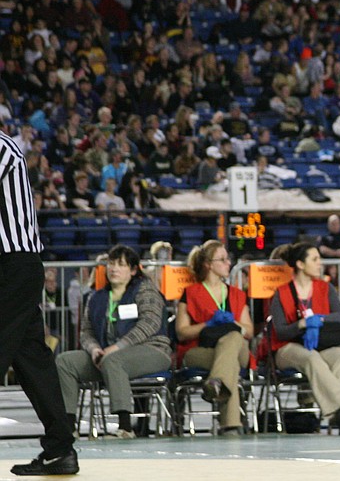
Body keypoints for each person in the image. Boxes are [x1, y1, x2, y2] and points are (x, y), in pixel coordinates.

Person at [1, 130, 78, 476]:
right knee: (33, 360)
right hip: (16, 267)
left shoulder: (2, 146)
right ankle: (60, 449)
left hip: (12, 265)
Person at [56, 245, 172, 439]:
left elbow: (149, 323)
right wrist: (94, 350)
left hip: (152, 350)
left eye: (121, 265)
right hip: (107, 356)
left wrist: (116, 348)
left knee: (114, 361)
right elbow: (86, 331)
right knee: (65, 361)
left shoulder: (146, 290)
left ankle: (125, 427)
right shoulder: (96, 297)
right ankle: (68, 426)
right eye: (111, 264)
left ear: (134, 270)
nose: (113, 269)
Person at [268, 243, 340, 434]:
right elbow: (280, 331)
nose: (320, 264)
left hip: (321, 343)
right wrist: (301, 324)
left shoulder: (325, 288)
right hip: (287, 348)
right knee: (312, 358)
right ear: (300, 264)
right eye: (315, 259)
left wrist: (318, 319)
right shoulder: (281, 293)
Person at [174, 240, 252, 435]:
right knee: (230, 364)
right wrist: (207, 325)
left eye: (228, 259)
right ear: (208, 264)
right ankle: (231, 424)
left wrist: (233, 325)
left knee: (233, 336)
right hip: (200, 350)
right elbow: (182, 332)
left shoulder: (237, 294)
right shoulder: (190, 293)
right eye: (223, 259)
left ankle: (215, 382)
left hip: (237, 348)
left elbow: (249, 331)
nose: (229, 264)